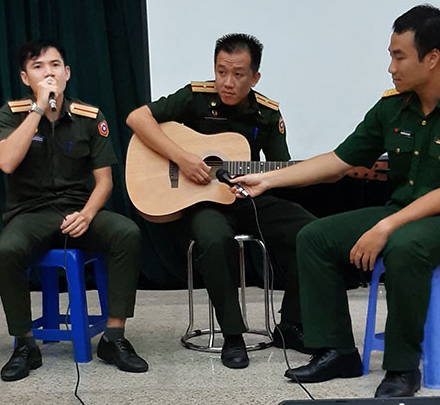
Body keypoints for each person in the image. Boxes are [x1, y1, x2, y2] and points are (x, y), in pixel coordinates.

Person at [231, 5, 440, 397]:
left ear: (432, 58)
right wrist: (267, 180)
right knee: (315, 236)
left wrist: (386, 226)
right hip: (404, 213)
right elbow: (338, 161)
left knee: (405, 246)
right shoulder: (394, 106)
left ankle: (402, 368)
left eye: (399, 57)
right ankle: (337, 351)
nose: (391, 67)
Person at [126, 33, 316, 369]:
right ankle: (233, 335)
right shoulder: (196, 97)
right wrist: (183, 158)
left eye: (238, 74)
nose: (227, 82)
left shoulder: (267, 114)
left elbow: (281, 171)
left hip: (247, 199)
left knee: (310, 232)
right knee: (214, 239)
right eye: (221, 71)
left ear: (255, 77)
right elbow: (137, 118)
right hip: (204, 202)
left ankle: (290, 324)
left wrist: (264, 181)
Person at [0, 39, 148, 381]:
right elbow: (6, 162)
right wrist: (37, 109)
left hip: (78, 210)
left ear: (67, 73)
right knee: (6, 251)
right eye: (37, 67)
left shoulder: (89, 117)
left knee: (126, 233)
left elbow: (104, 182)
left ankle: (114, 337)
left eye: (54, 65)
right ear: (25, 78)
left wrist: (87, 214)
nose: (48, 73)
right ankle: (24, 344)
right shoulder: (12, 114)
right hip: (29, 214)